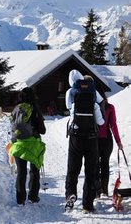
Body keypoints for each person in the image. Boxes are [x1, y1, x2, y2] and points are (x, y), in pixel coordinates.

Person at [64, 70, 104, 213]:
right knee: (90, 171)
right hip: (92, 138)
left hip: (76, 136)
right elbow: (100, 121)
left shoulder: (71, 92)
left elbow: (69, 108)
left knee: (73, 168)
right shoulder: (93, 93)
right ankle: (87, 204)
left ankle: (70, 194)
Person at [9, 87, 46, 205]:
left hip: (18, 144)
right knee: (34, 171)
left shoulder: (16, 110)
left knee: (21, 172)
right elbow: (43, 130)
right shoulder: (34, 109)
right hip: (33, 144)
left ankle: (20, 200)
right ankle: (33, 197)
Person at [97, 93, 123, 198]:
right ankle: (104, 190)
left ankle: (97, 191)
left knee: (94, 165)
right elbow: (113, 125)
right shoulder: (110, 107)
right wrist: (118, 141)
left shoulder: (94, 106)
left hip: (94, 140)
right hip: (107, 140)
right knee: (105, 164)